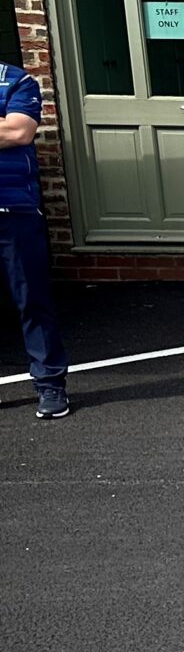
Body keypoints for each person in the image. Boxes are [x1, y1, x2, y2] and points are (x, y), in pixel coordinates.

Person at [0, 57, 71, 420]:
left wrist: (7, 128)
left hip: (14, 211)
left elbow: (18, 133)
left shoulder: (16, 81)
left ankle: (50, 385)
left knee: (32, 299)